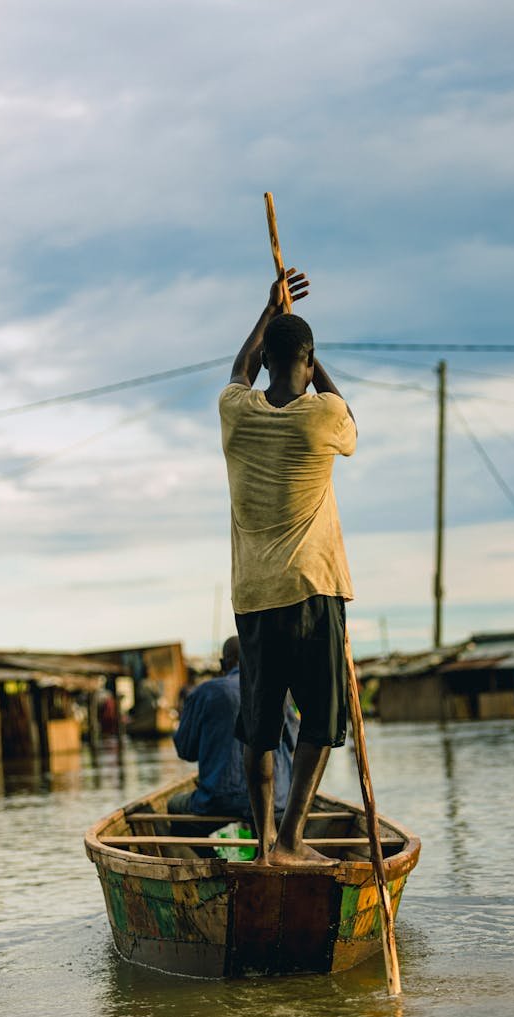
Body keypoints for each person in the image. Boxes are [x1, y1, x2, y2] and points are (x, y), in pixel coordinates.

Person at [219, 267, 357, 866]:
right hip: (312, 588)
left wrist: (266, 312)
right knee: (323, 721)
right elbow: (344, 408)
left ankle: (261, 843)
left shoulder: (236, 413)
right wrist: (309, 353)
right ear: (304, 360)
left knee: (259, 726)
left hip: (254, 598)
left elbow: (238, 372)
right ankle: (291, 840)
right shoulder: (321, 417)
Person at [168, 636, 298, 856]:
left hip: (219, 801)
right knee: (293, 810)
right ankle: (269, 854)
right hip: (277, 801)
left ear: (222, 664)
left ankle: (212, 865)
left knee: (174, 806)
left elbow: (186, 751)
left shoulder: (203, 692)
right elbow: (294, 743)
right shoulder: (277, 690)